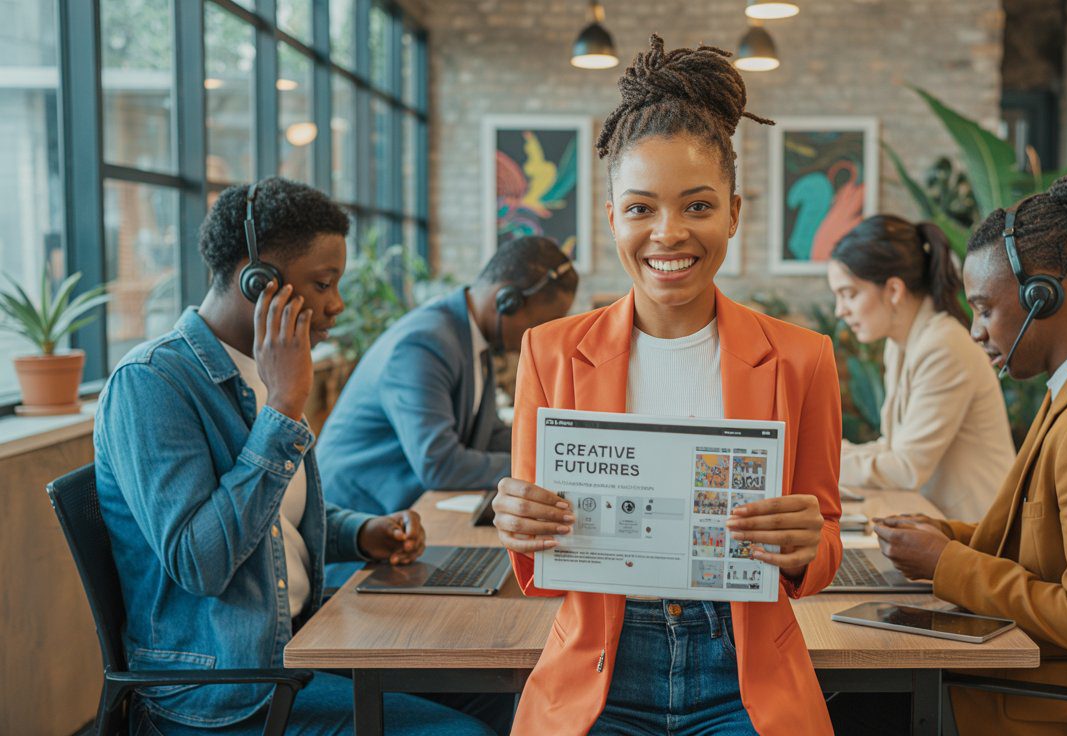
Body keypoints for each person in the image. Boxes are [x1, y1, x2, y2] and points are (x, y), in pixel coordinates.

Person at [489, 36, 843, 735]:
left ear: (735, 213)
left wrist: (810, 546)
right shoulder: (551, 352)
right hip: (602, 666)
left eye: (698, 207)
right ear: (613, 217)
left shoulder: (803, 359)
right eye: (642, 208)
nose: (668, 234)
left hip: (742, 671)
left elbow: (823, 532)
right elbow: (535, 553)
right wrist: (518, 525)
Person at [94, 177, 495, 736]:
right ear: (259, 285)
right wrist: (283, 409)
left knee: (505, 694)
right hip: (230, 689)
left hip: (303, 643)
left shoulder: (265, 368)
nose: (337, 304)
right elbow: (200, 562)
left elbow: (274, 524)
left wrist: (359, 532)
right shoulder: (153, 384)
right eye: (323, 283)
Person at [871, 172, 1067, 736]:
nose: (975, 331)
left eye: (985, 309)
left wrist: (945, 564)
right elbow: (1044, 547)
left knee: (832, 705)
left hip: (1033, 701)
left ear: (1042, 296)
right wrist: (945, 537)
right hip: (1014, 672)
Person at [317, 235, 577, 519]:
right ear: (507, 301)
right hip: (355, 526)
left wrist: (562, 454)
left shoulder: (470, 337)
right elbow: (439, 464)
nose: (543, 337)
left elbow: (490, 434)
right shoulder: (424, 343)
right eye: (541, 324)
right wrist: (537, 468)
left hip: (407, 517)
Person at [828, 215, 1014, 520]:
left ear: (893, 290)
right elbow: (894, 447)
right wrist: (834, 454)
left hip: (980, 535)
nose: (840, 310)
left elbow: (906, 468)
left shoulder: (944, 346)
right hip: (940, 524)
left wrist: (822, 463)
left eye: (849, 294)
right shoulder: (902, 344)